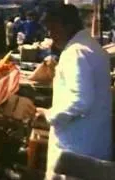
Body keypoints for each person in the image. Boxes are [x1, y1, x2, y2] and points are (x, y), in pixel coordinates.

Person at [35, 3, 113, 179]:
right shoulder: (90, 46)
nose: (50, 35)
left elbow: (80, 100)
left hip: (77, 146)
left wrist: (49, 115)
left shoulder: (76, 52)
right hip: (92, 140)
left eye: (53, 29)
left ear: (67, 25)